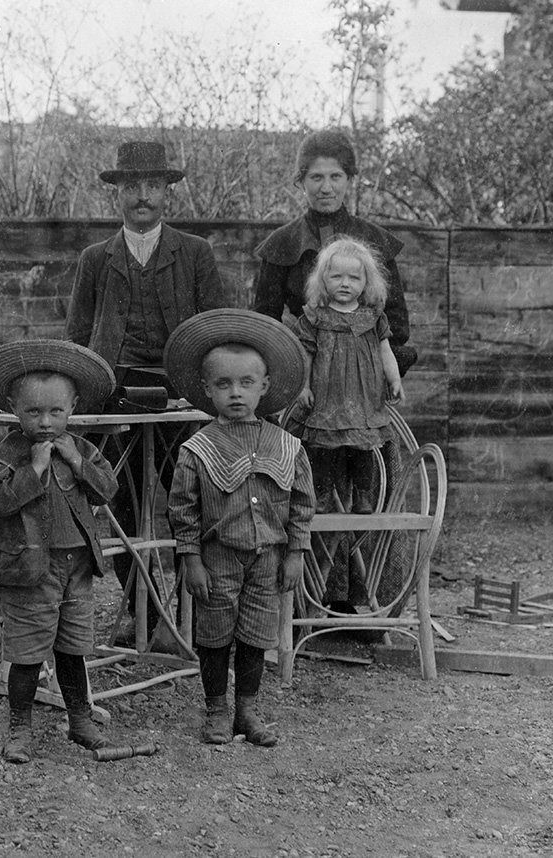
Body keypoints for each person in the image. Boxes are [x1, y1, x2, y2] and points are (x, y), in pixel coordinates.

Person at [65, 141, 227, 644]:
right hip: (117, 396)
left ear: (166, 194)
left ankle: (192, 619)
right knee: (124, 509)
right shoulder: (96, 259)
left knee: (190, 504)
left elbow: (215, 328)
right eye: (132, 187)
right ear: (118, 194)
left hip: (180, 396)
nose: (142, 197)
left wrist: (205, 392)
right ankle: (145, 616)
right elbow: (77, 335)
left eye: (152, 186)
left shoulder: (194, 253)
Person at [253, 128, 415, 612]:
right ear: (301, 182)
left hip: (366, 402)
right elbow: (264, 327)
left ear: (351, 181)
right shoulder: (280, 248)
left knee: (369, 499)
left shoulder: (375, 244)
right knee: (312, 497)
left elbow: (397, 328)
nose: (326, 187)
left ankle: (365, 605)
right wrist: (292, 383)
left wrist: (378, 378)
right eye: (316, 177)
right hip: (309, 400)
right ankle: (310, 604)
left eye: (336, 176)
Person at [164, 309, 315, 747]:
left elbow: (302, 504)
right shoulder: (197, 449)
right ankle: (216, 710)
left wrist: (296, 553)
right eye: (224, 385)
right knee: (214, 633)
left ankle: (246, 711)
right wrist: (190, 560)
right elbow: (183, 510)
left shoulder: (287, 447)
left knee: (256, 631)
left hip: (268, 558)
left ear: (264, 387)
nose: (236, 393)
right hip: (218, 558)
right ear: (207, 390)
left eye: (247, 383)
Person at [0, 339, 121, 764]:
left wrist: (77, 461)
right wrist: (34, 469)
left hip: (77, 566)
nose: (45, 422)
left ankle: (80, 719)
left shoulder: (83, 449)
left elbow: (107, 490)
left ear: (72, 407)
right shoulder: (6, 454)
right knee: (28, 652)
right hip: (27, 568)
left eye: (56, 411)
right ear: (13, 409)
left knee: (73, 647)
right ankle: (19, 728)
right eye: (33, 412)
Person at [295, 237, 404, 518]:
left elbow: (385, 351)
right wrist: (303, 386)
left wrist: (394, 380)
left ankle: (363, 496)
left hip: (364, 397)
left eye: (354, 277)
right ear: (323, 280)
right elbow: (305, 355)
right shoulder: (314, 318)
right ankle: (321, 495)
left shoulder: (373, 317)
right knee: (323, 450)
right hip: (327, 397)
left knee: (362, 449)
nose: (345, 283)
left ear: (366, 282)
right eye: (337, 276)